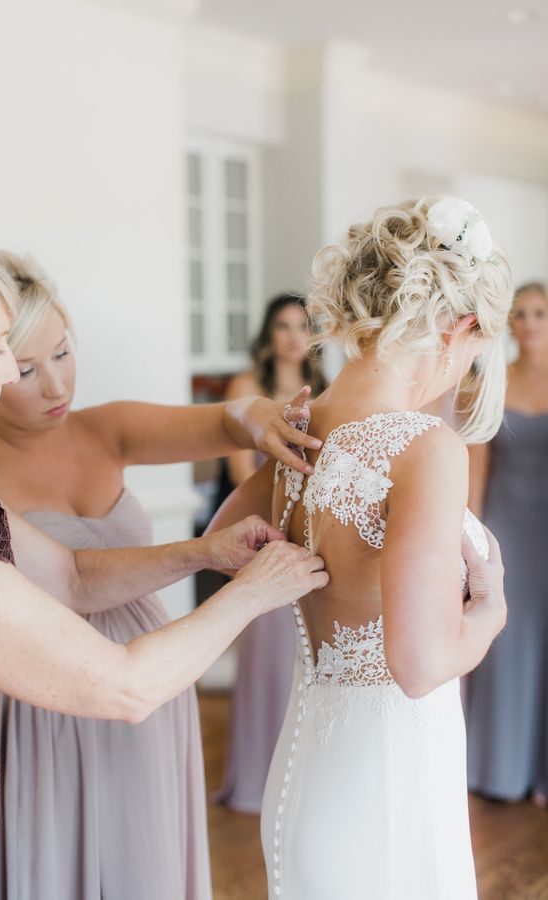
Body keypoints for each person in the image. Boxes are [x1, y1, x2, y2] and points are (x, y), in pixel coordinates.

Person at [0, 227, 329, 900]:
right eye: (2, 355)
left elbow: (70, 575)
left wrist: (207, 552)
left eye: (57, 353)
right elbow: (120, 685)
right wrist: (244, 593)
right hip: (52, 704)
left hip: (143, 688)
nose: (26, 376)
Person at [209, 196, 510, 899]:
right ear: (459, 328)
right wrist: (490, 612)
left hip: (304, 767)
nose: (463, 369)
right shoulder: (425, 446)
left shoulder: (304, 425)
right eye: (472, 352)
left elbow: (220, 545)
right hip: (389, 780)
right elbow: (418, 664)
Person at [216, 294, 327, 813]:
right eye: (281, 325)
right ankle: (257, 780)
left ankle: (304, 784)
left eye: (301, 326)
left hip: (315, 536)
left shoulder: (326, 394)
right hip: (261, 531)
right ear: (268, 333)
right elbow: (242, 476)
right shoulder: (247, 390)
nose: (291, 336)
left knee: (306, 659)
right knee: (266, 656)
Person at [466, 281, 548, 807]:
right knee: (506, 638)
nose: (529, 321)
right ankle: (499, 767)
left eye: (539, 312)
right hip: (506, 524)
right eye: (519, 313)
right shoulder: (489, 382)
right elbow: (476, 467)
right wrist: (471, 539)